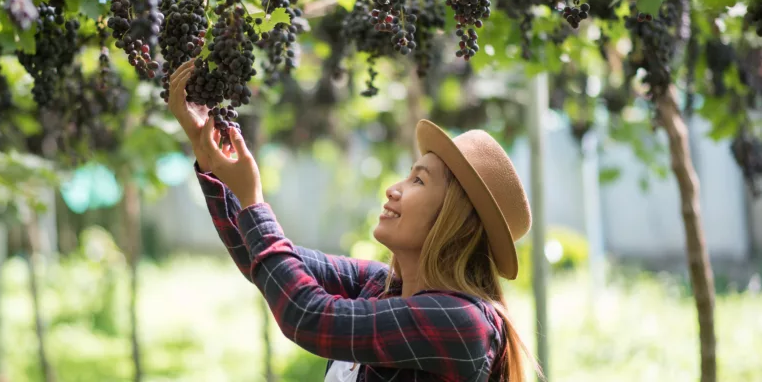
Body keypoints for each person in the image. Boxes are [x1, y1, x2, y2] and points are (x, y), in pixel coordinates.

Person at [168, 60, 539, 382]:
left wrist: (253, 200)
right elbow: (263, 259)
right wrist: (211, 161)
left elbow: (308, 315)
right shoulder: (378, 285)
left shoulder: (462, 322)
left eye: (418, 180)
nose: (395, 189)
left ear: (454, 220)